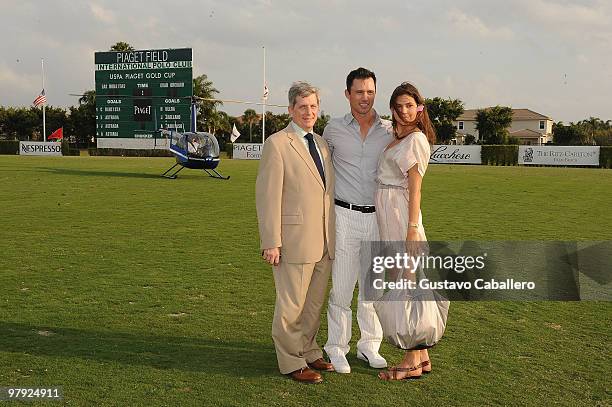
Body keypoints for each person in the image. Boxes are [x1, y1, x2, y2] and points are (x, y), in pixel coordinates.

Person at [256, 81, 336, 384]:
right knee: (291, 305)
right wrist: (271, 242)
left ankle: (308, 348)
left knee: (314, 303)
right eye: (302, 106)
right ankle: (290, 361)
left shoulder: (322, 143)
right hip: (293, 241)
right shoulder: (277, 143)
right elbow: (267, 196)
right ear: (291, 109)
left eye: (314, 106)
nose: (309, 112)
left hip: (324, 240)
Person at [322, 68, 393, 373]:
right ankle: (336, 347)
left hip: (377, 218)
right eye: (359, 91)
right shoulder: (333, 129)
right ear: (347, 93)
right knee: (341, 287)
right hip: (344, 215)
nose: (365, 98)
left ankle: (369, 347)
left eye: (370, 92)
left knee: (372, 288)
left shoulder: (390, 131)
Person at [375, 82, 436, 380]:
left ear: (419, 108)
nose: (403, 110)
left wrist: (412, 229)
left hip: (401, 215)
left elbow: (416, 190)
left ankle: (410, 360)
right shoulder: (398, 135)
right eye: (398, 106)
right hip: (389, 212)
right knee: (410, 282)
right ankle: (422, 356)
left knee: (407, 286)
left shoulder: (416, 140)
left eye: (409, 105)